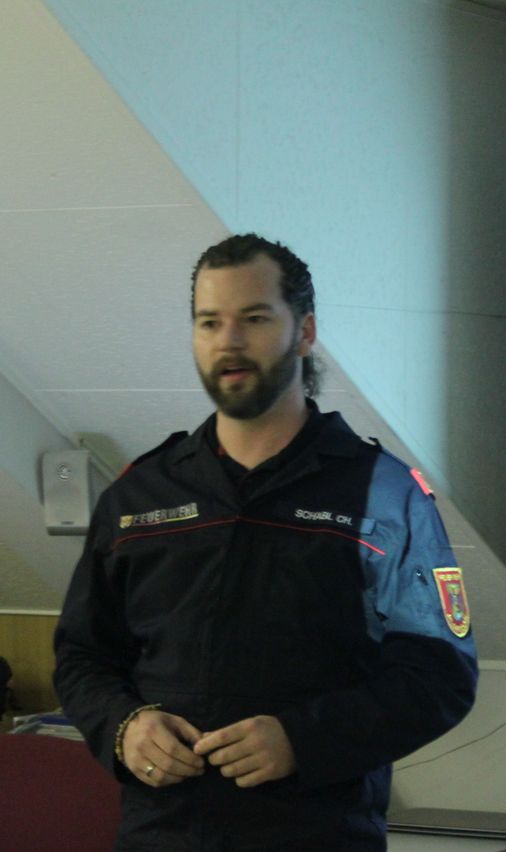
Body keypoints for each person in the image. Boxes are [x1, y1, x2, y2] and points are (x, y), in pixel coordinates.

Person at [53, 233, 478, 851]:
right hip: (160, 836)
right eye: (209, 322)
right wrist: (124, 728)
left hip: (316, 834)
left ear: (304, 332)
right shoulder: (140, 494)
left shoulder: (381, 495)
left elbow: (439, 676)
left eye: (253, 319)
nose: (228, 341)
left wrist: (303, 740)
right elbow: (82, 656)